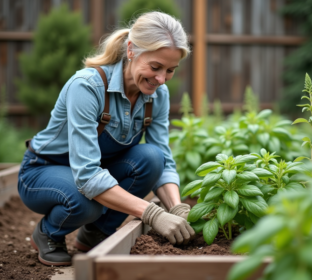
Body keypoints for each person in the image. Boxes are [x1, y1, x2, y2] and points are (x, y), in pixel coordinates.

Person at [17, 11, 195, 266]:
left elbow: (163, 161)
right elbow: (88, 176)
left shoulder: (158, 95)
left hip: (94, 171)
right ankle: (48, 233)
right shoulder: (87, 87)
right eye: (155, 67)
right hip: (43, 172)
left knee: (151, 158)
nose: (161, 79)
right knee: (85, 202)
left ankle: (95, 233)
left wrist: (177, 209)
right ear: (131, 50)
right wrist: (153, 214)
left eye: (170, 70)